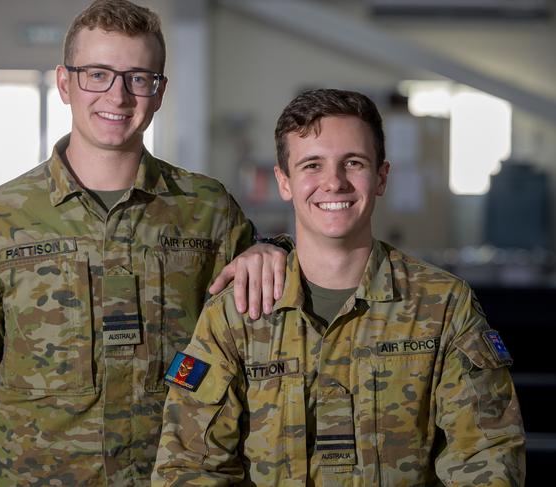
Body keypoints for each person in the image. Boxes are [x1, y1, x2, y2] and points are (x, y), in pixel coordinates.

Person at [0, 1, 288, 485]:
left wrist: (275, 248)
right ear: (65, 83)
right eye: (97, 74)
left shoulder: (207, 210)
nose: (118, 95)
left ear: (159, 93)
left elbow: (261, 351)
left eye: (138, 77)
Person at [153, 89, 526, 486]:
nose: (334, 182)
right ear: (284, 181)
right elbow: (189, 466)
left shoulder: (442, 307)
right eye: (312, 165)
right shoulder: (237, 314)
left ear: (381, 176)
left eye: (353, 162)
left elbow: (488, 459)